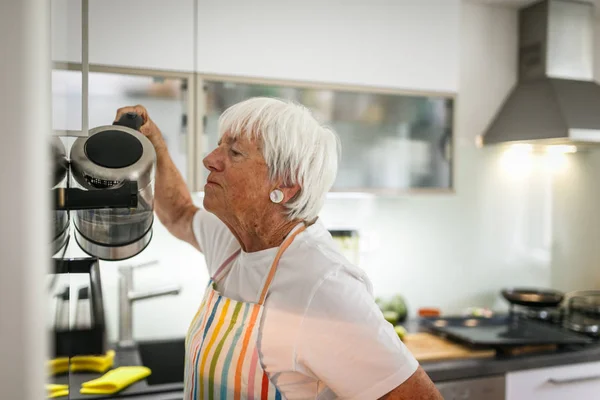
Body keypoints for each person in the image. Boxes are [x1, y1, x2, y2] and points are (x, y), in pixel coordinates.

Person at [115, 98, 442, 400]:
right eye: (218, 147)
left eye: (235, 153)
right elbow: (179, 213)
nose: (209, 160)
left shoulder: (325, 287)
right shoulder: (236, 241)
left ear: (284, 185)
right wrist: (156, 145)